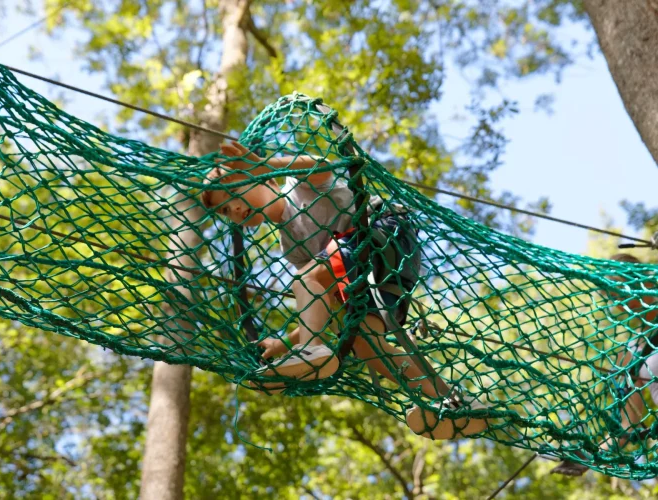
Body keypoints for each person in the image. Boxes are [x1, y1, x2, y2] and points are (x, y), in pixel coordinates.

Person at [200, 140, 488, 440]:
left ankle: (309, 351)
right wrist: (285, 343)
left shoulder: (298, 186)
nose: (233, 208)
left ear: (262, 177)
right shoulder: (292, 249)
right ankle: (454, 403)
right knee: (367, 344)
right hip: (378, 277)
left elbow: (320, 163)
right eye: (223, 210)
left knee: (304, 279)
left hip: (381, 232)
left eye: (233, 192)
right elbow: (320, 305)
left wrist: (266, 165)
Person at [552, 253, 658, 475]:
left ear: (641, 276)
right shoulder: (634, 351)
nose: (618, 300)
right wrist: (590, 459)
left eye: (618, 287)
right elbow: (626, 427)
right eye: (610, 296)